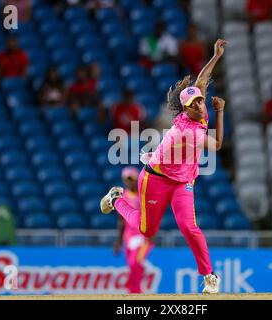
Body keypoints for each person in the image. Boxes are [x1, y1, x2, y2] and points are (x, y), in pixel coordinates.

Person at [100, 39, 227, 294]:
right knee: (147, 230)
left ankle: (209, 276)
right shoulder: (187, 132)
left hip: (182, 181)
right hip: (156, 178)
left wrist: (215, 56)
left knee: (189, 227)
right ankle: (116, 199)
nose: (201, 106)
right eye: (195, 105)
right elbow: (218, 144)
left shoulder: (195, 110)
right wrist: (220, 112)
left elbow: (201, 80)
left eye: (201, 102)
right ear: (186, 110)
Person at [114, 166, 155, 294]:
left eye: (131, 179)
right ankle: (133, 290)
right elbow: (121, 221)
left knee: (134, 262)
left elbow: (152, 215)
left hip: (142, 236)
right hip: (128, 237)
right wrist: (118, 240)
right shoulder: (123, 196)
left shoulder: (143, 195)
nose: (129, 182)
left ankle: (134, 291)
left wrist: (151, 233)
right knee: (133, 265)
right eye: (127, 179)